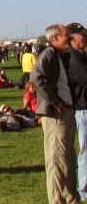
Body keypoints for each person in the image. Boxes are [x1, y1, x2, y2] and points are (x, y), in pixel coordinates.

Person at [30, 23, 80, 204]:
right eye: (67, 35)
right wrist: (54, 101)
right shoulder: (49, 55)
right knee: (57, 158)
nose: (70, 38)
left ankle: (70, 197)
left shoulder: (62, 56)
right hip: (55, 115)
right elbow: (36, 77)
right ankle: (58, 200)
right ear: (55, 38)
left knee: (67, 157)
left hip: (65, 111)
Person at [65, 22, 87, 202]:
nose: (85, 37)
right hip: (83, 108)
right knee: (86, 149)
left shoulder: (80, 55)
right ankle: (85, 187)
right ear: (73, 38)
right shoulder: (74, 57)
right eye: (82, 35)